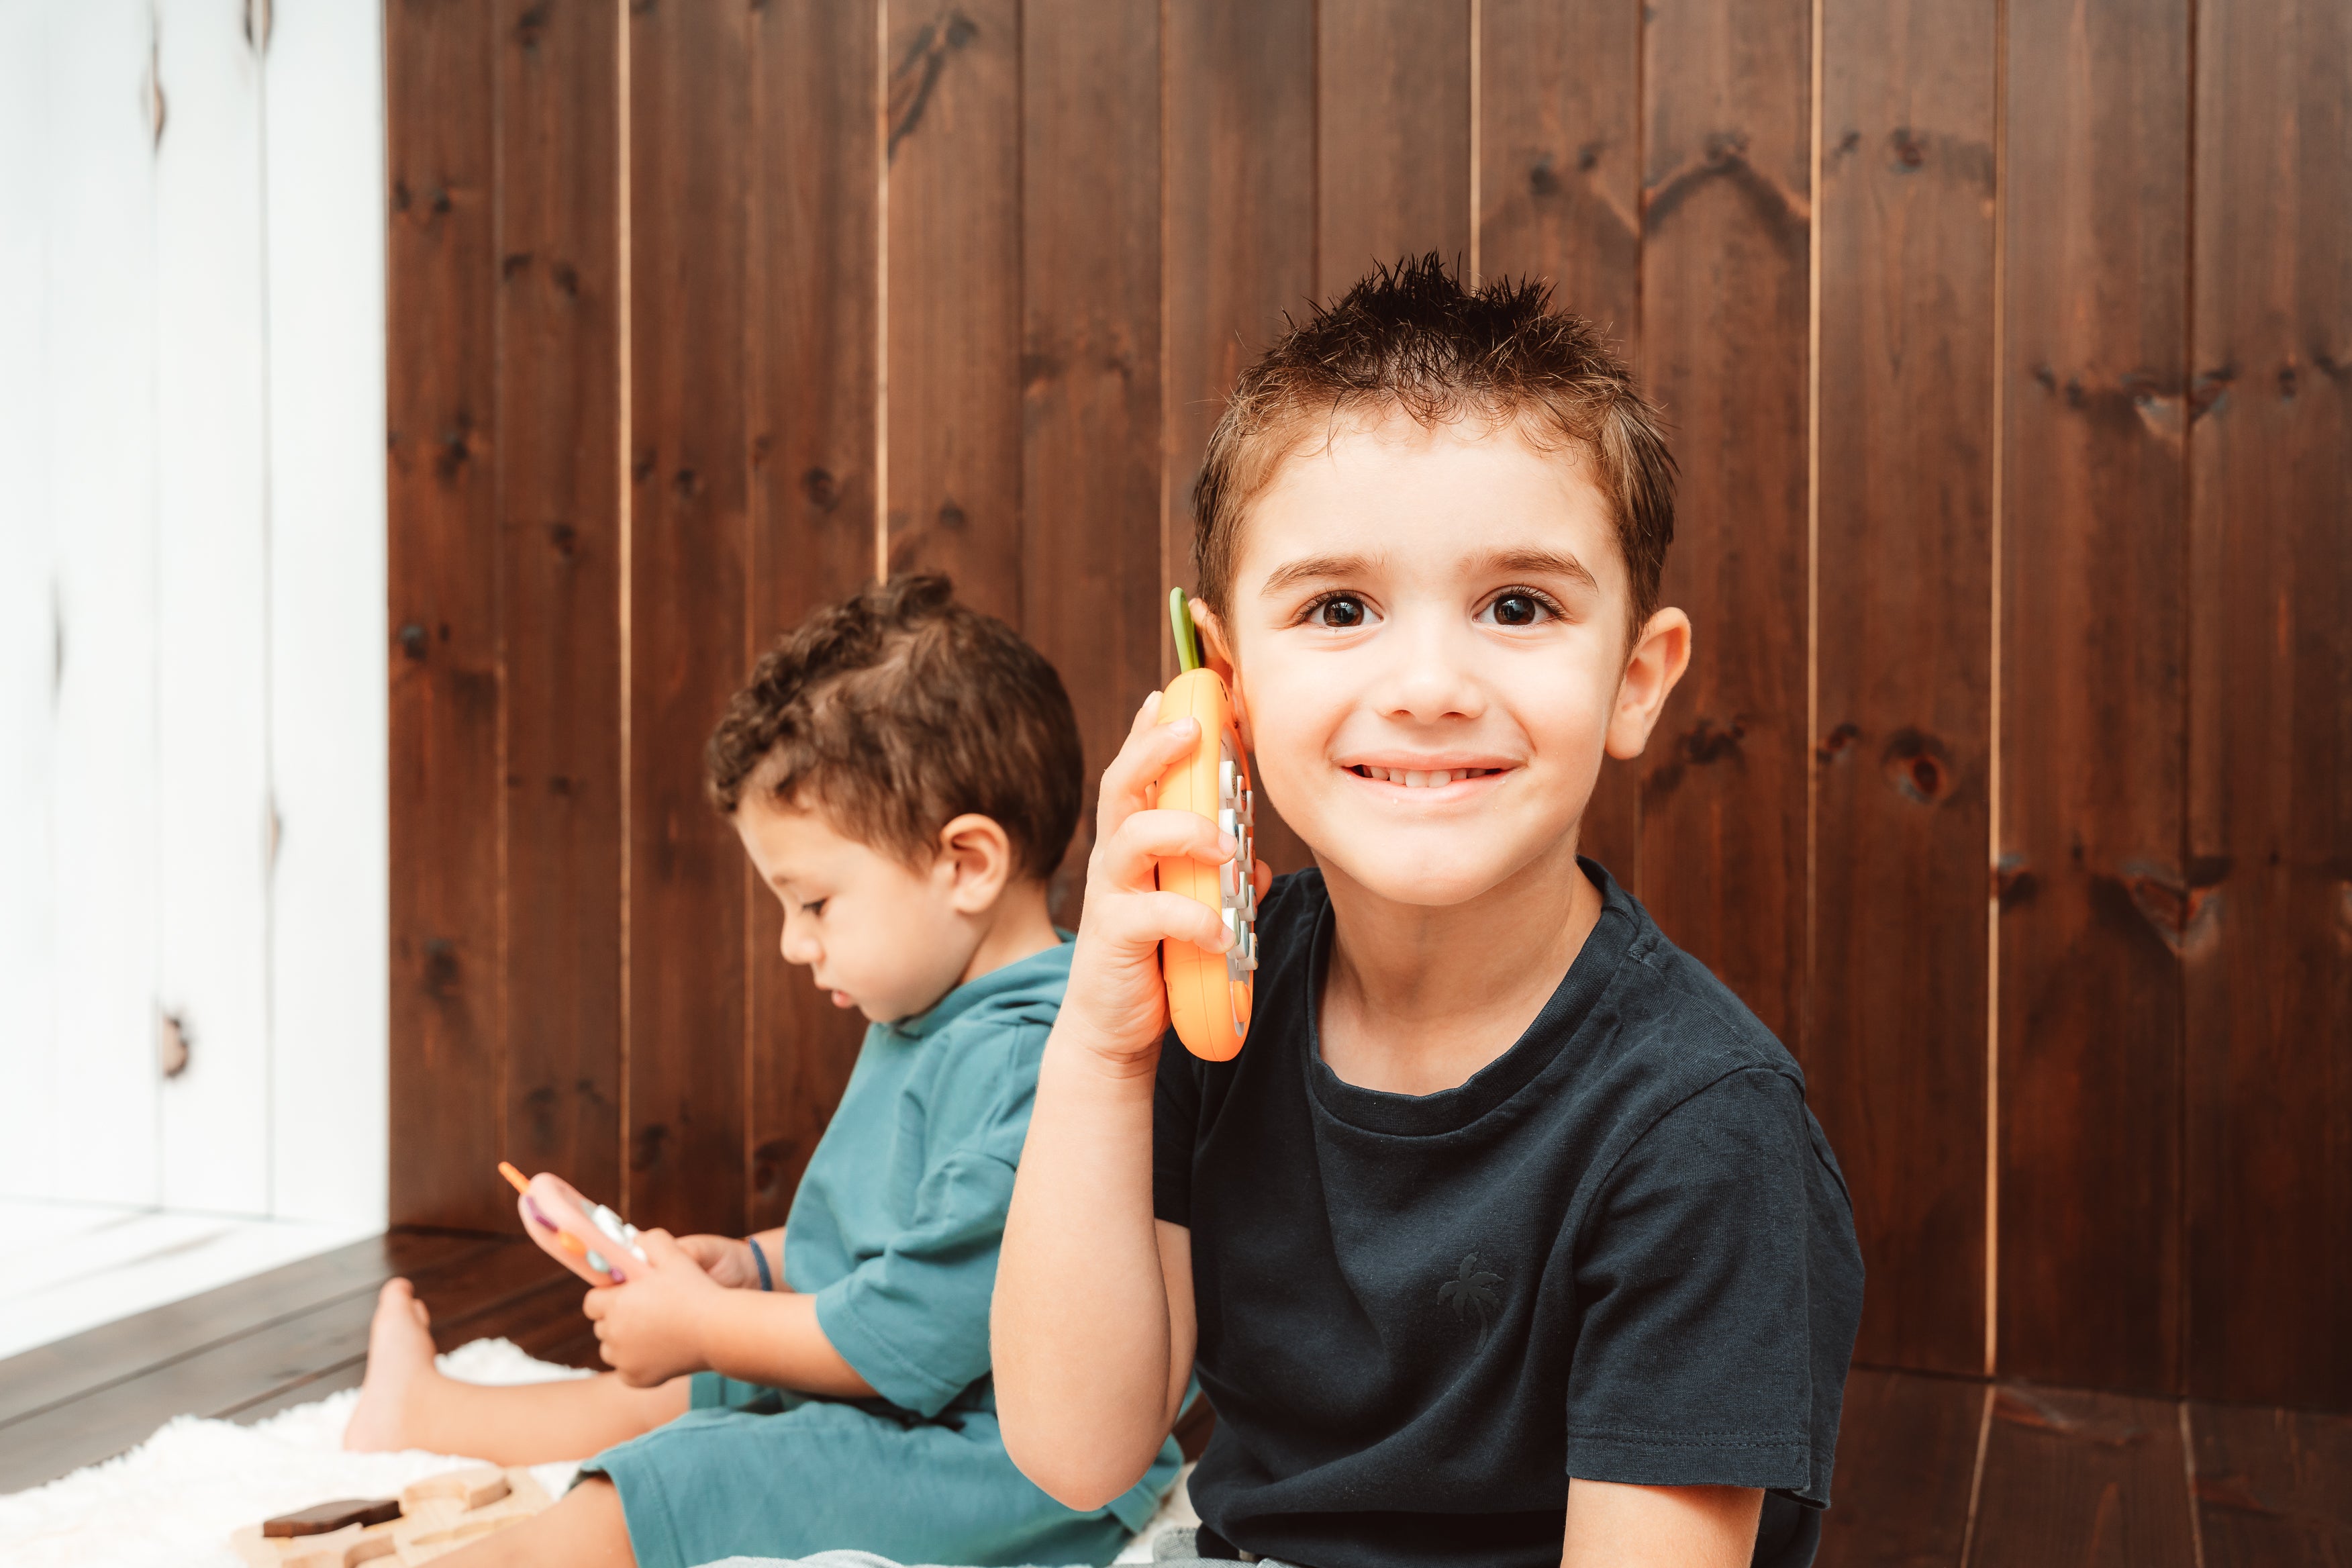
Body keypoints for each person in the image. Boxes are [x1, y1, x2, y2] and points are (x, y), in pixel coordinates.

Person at [987, 256, 1865, 1568]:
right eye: (1340, 608)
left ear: (1637, 680)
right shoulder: (1209, 998)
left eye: (1518, 606)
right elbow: (1078, 1448)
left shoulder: (1704, 1132)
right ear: (1223, 678)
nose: (1430, 683)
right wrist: (1103, 1051)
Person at [342, 575, 1182, 1568]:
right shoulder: (929, 1011)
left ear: (966, 865)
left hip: (1003, 1471)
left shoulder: (1029, 1059)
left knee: (674, 1479)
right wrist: (752, 1270)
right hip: (921, 1411)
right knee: (691, 1383)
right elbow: (902, 1235)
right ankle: (427, 1408)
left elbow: (905, 1334)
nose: (793, 944)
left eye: (815, 903)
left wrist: (710, 1324)